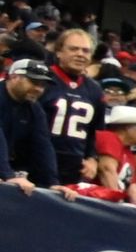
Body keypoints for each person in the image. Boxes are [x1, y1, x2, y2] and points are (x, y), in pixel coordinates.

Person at [39, 28, 104, 185]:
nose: (80, 54)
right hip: (37, 158)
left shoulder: (95, 89)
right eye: (74, 49)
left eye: (86, 51)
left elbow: (96, 130)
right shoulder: (42, 79)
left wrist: (92, 158)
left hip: (74, 166)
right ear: (59, 52)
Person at [1, 58, 62, 189]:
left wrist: (52, 183)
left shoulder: (34, 109)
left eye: (42, 85)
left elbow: (42, 145)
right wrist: (7, 175)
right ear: (14, 77)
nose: (39, 89)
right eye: (34, 82)